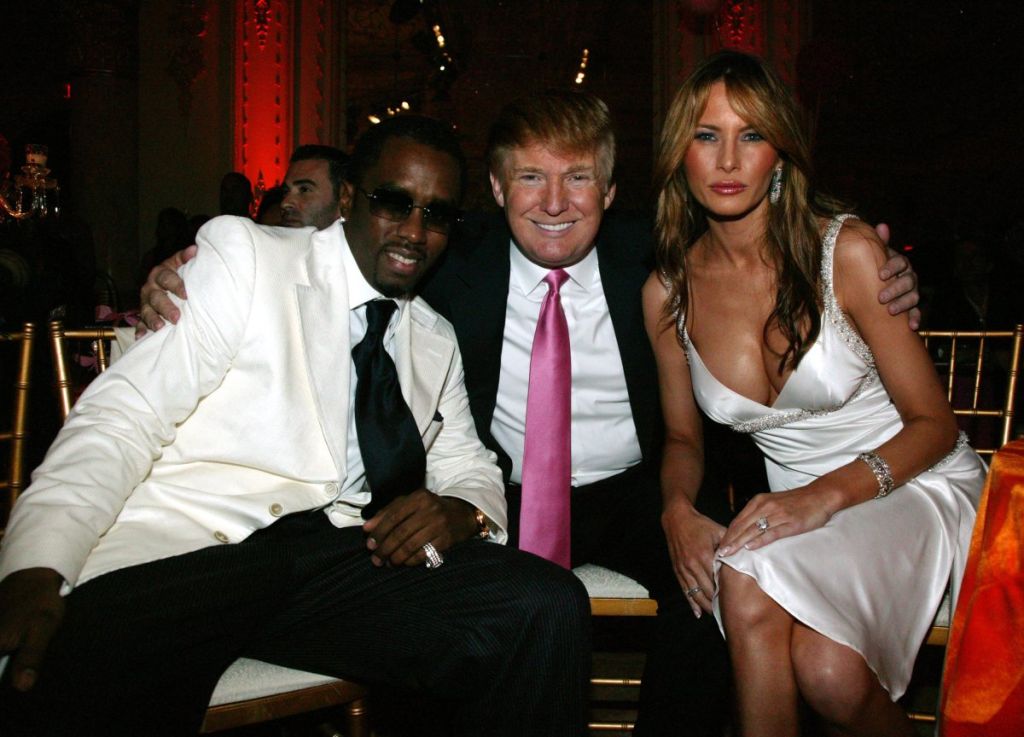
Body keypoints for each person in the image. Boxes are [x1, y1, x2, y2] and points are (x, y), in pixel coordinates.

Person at [138, 93, 923, 737]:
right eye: (531, 179)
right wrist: (182, 272)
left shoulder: (657, 256)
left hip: (637, 488)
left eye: (578, 178)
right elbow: (332, 251)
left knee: (713, 589)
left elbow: (776, 247)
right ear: (494, 189)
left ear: (608, 192)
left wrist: (889, 269)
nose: (554, 204)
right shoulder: (445, 257)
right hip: (497, 491)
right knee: (438, 596)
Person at [0, 115, 590, 737]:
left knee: (545, 605)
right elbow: (125, 417)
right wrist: (36, 565)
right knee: (65, 673)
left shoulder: (434, 337)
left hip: (339, 563)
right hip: (196, 556)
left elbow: (470, 465)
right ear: (347, 198)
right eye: (393, 202)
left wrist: (461, 512)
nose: (415, 232)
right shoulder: (248, 257)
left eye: (437, 215)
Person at [642, 51, 985, 737]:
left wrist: (821, 497)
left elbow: (935, 425)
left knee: (744, 572)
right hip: (799, 513)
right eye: (707, 135)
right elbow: (682, 438)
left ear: (780, 153)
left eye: (751, 135)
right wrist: (676, 509)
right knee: (829, 676)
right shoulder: (666, 292)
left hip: (913, 483)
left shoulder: (846, 252)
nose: (728, 160)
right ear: (681, 151)